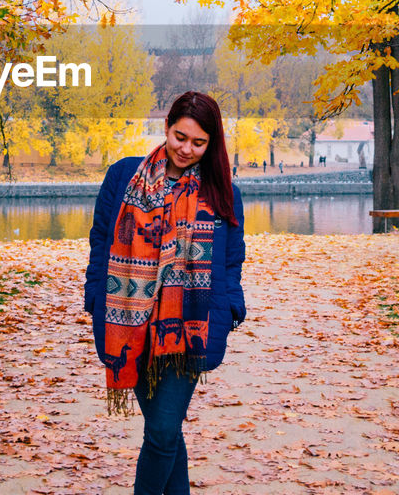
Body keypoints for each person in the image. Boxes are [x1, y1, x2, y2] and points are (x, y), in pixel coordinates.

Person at [84, 91, 247, 495]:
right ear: (167, 126)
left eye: (198, 142)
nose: (186, 149)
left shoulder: (222, 191)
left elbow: (231, 261)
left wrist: (230, 307)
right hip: (130, 322)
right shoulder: (123, 176)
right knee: (166, 432)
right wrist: (94, 298)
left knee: (160, 431)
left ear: (212, 144)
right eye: (180, 136)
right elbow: (101, 241)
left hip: (189, 326)